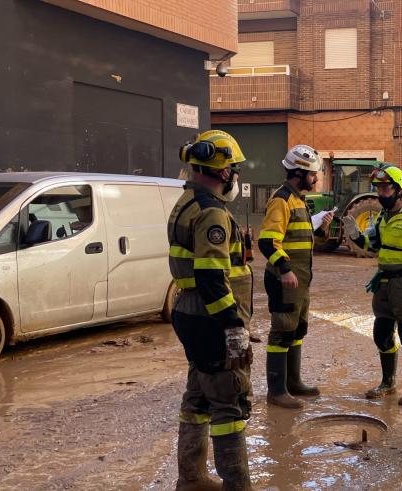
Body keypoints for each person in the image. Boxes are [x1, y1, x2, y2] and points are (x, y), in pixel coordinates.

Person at [167, 130, 254, 490]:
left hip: (189, 314)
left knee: (198, 395)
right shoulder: (212, 212)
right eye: (233, 167)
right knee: (230, 402)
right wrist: (233, 326)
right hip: (211, 318)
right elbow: (212, 278)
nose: (236, 174)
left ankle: (192, 479)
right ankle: (237, 485)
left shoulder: (185, 201)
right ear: (221, 171)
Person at [342, 164, 402, 405]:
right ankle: (388, 382)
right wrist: (355, 235)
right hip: (383, 282)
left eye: (385, 188)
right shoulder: (382, 215)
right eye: (378, 188)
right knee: (382, 334)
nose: (380, 193)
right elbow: (373, 247)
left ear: (398, 188)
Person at [257, 144, 333, 409]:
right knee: (282, 331)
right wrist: (285, 269)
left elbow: (299, 238)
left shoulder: (299, 200)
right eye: (313, 174)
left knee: (297, 329)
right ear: (299, 173)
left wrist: (322, 231)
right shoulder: (282, 200)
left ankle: (293, 382)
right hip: (284, 280)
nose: (316, 179)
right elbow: (267, 242)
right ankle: (276, 392)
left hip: (300, 281)